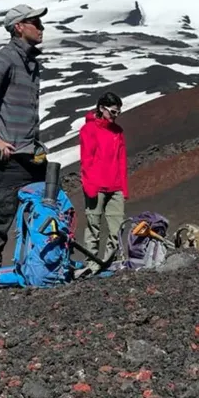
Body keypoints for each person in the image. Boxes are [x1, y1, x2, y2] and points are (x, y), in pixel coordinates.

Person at [0, 4, 50, 277]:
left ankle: (36, 264)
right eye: (35, 22)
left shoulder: (31, 62)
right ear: (19, 27)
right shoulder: (6, 57)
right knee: (1, 213)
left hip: (31, 154)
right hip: (8, 155)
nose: (41, 27)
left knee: (39, 211)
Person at [78, 92, 128, 272]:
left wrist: (124, 188)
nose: (115, 116)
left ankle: (107, 262)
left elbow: (122, 160)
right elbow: (86, 160)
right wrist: (89, 185)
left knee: (117, 228)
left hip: (115, 186)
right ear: (101, 108)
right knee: (94, 227)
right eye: (113, 112)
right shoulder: (88, 130)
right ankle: (91, 264)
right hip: (96, 185)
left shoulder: (118, 132)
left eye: (118, 113)